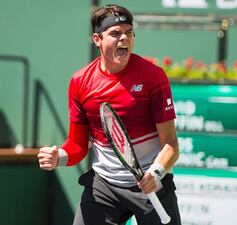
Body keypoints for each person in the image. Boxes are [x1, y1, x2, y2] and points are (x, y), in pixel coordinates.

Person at [37, 4, 181, 225]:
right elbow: (76, 145)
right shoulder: (80, 82)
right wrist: (59, 157)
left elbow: (171, 145)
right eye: (115, 33)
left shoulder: (153, 76)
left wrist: (156, 173)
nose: (124, 38)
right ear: (97, 39)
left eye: (129, 32)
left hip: (152, 183)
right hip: (104, 187)